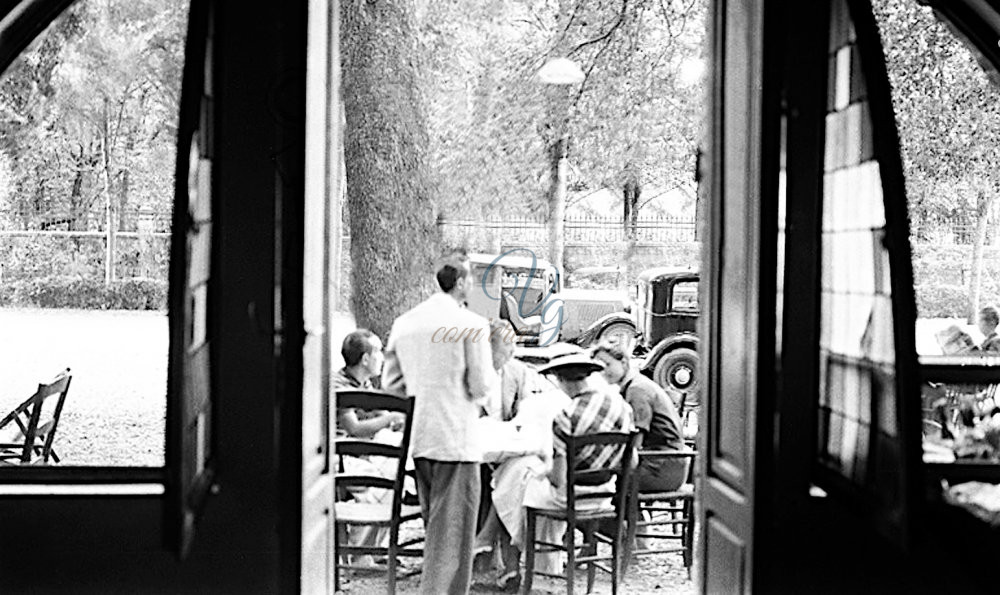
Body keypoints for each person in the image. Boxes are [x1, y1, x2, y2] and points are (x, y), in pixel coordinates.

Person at [382, 250, 499, 595]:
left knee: (436, 525)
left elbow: (391, 384)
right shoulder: (471, 325)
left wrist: (423, 389)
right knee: (454, 533)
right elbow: (479, 386)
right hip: (457, 440)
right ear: (461, 283)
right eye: (471, 280)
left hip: (422, 436)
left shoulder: (406, 323)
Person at [488, 351, 634, 585]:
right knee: (526, 480)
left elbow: (558, 480)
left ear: (560, 381)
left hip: (570, 498)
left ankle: (523, 566)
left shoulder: (565, 416)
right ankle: (539, 566)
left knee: (517, 486)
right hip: (605, 496)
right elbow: (632, 462)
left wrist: (544, 471)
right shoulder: (621, 407)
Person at [331, 329, 404, 569]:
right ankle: (361, 554)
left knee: (398, 475)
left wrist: (396, 417)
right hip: (341, 457)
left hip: (362, 454)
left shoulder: (365, 383)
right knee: (378, 482)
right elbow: (354, 428)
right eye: (379, 352)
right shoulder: (339, 385)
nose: (382, 357)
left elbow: (383, 415)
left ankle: (373, 550)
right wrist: (390, 416)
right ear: (365, 359)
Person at [592, 340, 689, 492]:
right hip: (662, 462)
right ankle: (631, 515)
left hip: (661, 468)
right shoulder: (635, 385)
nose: (602, 372)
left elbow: (635, 441)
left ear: (623, 362)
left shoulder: (637, 390)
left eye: (607, 365)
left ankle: (627, 515)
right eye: (599, 368)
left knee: (603, 480)